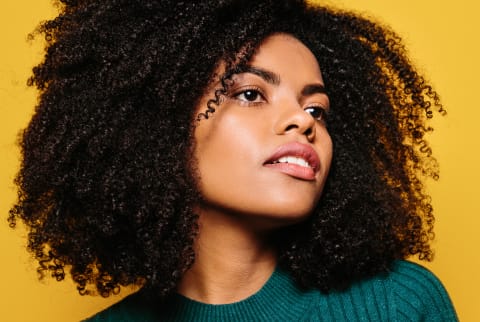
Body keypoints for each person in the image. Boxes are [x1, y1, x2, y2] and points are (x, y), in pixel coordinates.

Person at [9, 0, 457, 320]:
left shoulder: (397, 304)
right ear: (159, 126)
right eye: (250, 94)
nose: (302, 123)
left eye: (316, 109)